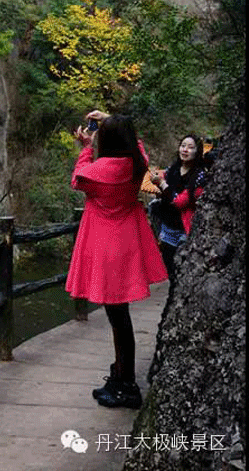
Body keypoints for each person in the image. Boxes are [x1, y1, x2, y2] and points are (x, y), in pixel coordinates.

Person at [66, 110, 168, 409]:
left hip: (105, 244)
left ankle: (126, 385)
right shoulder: (137, 165)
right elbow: (139, 150)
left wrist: (86, 146)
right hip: (127, 241)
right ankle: (121, 376)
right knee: (119, 316)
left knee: (118, 318)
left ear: (106, 140)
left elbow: (78, 178)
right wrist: (115, 123)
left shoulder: (100, 169)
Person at [149, 134, 206, 281]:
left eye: (190, 147)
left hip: (184, 230)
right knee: (170, 272)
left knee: (180, 275)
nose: (185, 150)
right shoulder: (172, 169)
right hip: (167, 227)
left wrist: (162, 183)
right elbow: (165, 195)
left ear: (197, 151)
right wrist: (158, 184)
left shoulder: (199, 176)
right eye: (183, 146)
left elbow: (180, 202)